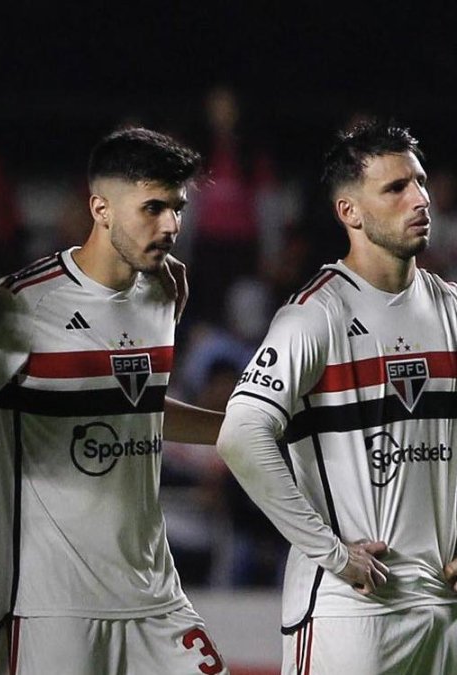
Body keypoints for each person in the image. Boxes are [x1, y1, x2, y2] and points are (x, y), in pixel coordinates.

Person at [0, 128, 227, 674]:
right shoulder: (21, 306)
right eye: (152, 208)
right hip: (53, 603)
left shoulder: (162, 293)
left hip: (153, 592)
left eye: (177, 208)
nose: (170, 225)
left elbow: (138, 409)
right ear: (101, 209)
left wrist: (251, 429)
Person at [216, 121, 457, 674]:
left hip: (442, 610)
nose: (420, 199)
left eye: (420, 182)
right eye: (396, 188)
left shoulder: (451, 309)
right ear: (350, 212)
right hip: (349, 609)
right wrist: (331, 552)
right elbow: (241, 433)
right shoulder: (314, 316)